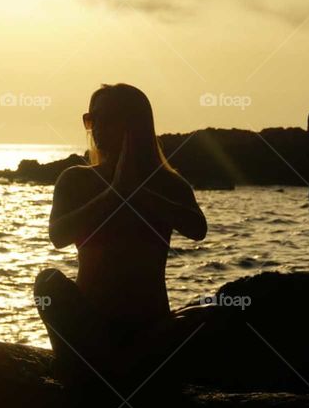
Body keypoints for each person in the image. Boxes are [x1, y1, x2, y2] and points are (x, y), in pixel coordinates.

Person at [34, 83, 208, 382]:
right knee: (47, 283)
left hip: (149, 326)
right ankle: (101, 365)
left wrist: (137, 192)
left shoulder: (168, 184)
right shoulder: (75, 179)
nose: (97, 127)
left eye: (107, 118)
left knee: (212, 311)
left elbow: (197, 229)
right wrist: (114, 194)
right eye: (92, 119)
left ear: (135, 123)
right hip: (91, 322)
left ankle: (113, 367)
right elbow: (58, 236)